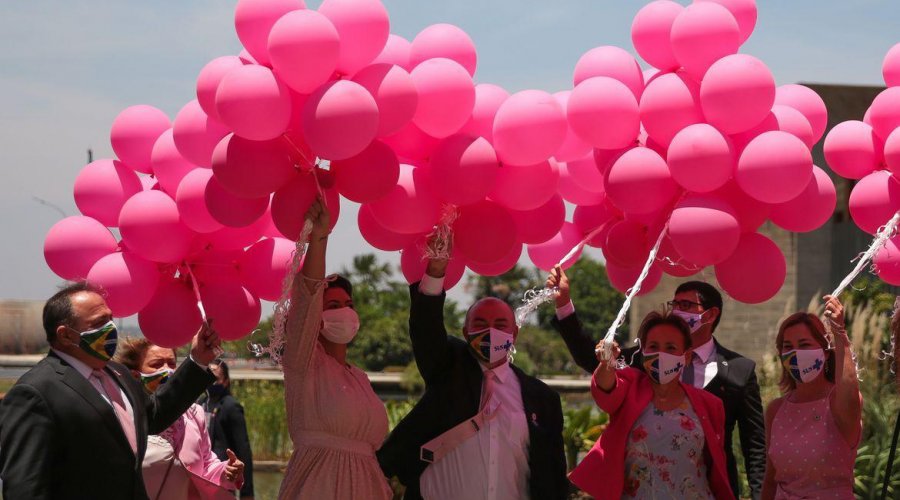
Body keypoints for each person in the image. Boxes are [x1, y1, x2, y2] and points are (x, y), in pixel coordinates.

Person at [549, 268, 766, 499]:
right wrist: (564, 305)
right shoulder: (640, 360)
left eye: (686, 305)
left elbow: (754, 444)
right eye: (675, 304)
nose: (677, 311)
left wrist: (759, 494)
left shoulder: (738, 371)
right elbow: (594, 364)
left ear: (711, 315)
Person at [0, 281, 220, 499]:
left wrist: (197, 360)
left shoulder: (118, 373)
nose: (110, 328)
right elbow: (25, 486)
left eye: (110, 319)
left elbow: (154, 415)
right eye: (99, 322)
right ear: (66, 335)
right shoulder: (36, 392)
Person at [378, 249, 569, 499]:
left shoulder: (542, 399)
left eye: (500, 325)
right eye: (480, 325)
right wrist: (435, 272)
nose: (490, 331)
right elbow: (426, 329)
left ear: (515, 334)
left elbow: (553, 475)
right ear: (465, 333)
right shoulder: (447, 368)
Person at [277, 197, 392, 499]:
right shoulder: (303, 362)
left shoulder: (360, 378)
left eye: (349, 305)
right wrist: (319, 238)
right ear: (317, 315)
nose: (345, 311)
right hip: (319, 487)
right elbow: (308, 291)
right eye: (334, 305)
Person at [570, 311, 734, 499]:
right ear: (644, 353)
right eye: (653, 346)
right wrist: (607, 363)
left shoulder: (710, 405)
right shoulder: (630, 387)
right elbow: (605, 389)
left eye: (671, 347)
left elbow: (716, 463)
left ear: (686, 356)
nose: (661, 354)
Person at [113, 337, 244, 499]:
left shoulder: (194, 413)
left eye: (172, 363)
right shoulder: (123, 415)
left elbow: (206, 464)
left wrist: (226, 471)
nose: (167, 370)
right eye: (156, 364)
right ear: (135, 375)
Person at [762, 295, 861, 499]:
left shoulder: (837, 403)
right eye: (788, 346)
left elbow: (850, 391)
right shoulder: (776, 410)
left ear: (825, 352)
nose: (796, 352)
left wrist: (839, 332)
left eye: (804, 344)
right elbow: (770, 479)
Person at [204, 359, 255, 499]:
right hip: (202, 478)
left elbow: (243, 450)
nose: (211, 382)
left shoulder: (231, 407)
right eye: (208, 377)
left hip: (223, 476)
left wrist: (247, 492)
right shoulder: (200, 404)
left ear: (225, 381)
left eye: (216, 378)